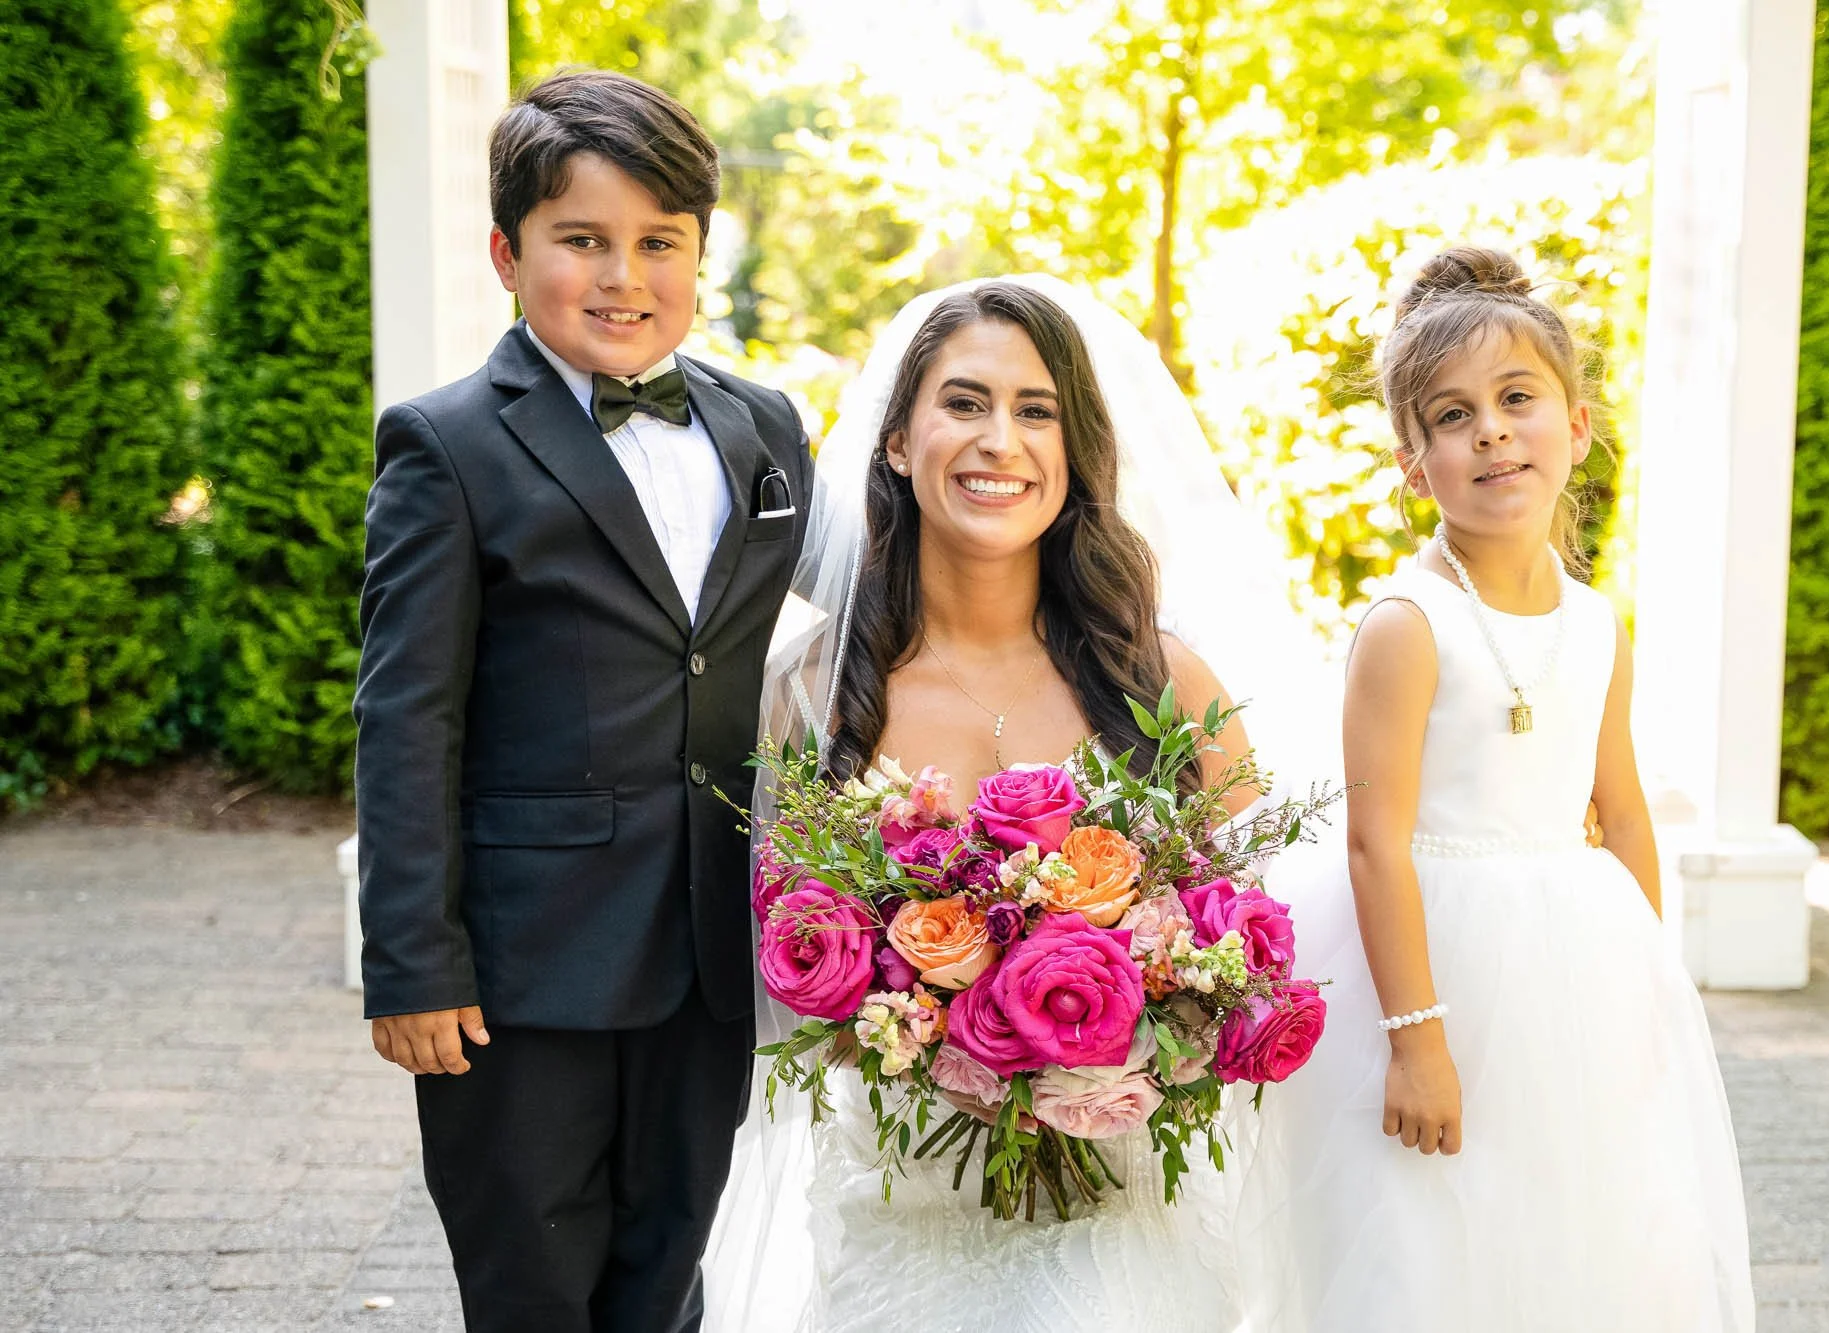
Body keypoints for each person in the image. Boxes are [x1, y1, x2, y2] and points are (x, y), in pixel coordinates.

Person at [704, 276, 1341, 1331]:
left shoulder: (1167, 684)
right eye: (963, 403)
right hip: (905, 1208)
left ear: (1073, 453)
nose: (999, 439)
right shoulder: (807, 696)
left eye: (1034, 410)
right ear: (899, 443)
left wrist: (1143, 1012)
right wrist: (936, 1022)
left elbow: (1259, 943)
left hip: (1122, 1213)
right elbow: (778, 966)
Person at [352, 69, 813, 1332]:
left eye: (658, 242)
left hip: (708, 949)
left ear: (701, 256)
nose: (623, 277)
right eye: (582, 241)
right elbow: (406, 718)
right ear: (507, 253)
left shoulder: (764, 431)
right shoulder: (446, 447)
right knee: (532, 1284)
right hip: (521, 967)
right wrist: (409, 961)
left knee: (665, 1272)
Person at [1251, 247, 1754, 1330]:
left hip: (1571, 970)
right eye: (1450, 414)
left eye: (1516, 399)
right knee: (1428, 1228)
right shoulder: (1404, 625)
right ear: (1411, 462)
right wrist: (1416, 1041)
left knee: (1581, 1221)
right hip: (1435, 960)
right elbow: (1373, 844)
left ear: (1573, 427)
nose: (1488, 429)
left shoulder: (1595, 620)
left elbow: (1616, 811)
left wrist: (1643, 999)